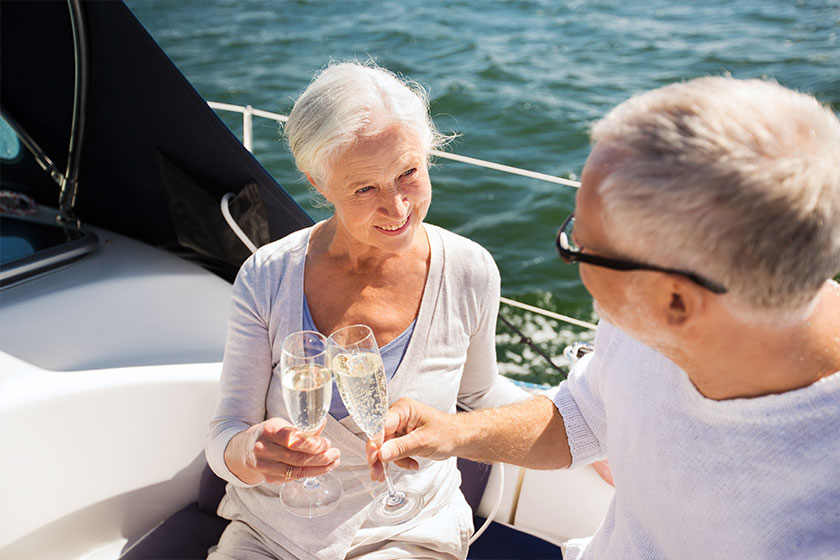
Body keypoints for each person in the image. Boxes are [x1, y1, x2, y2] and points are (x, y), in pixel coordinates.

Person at [371, 77, 840, 559]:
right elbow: (586, 415)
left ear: (676, 303)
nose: (570, 254)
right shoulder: (654, 313)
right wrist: (453, 433)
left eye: (582, 247)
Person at [205, 60, 528, 560]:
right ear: (318, 182)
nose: (398, 208)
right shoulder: (266, 276)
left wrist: (584, 424)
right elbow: (226, 432)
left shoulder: (470, 270)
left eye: (408, 173)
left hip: (410, 532)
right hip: (269, 533)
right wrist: (250, 452)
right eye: (365, 188)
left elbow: (481, 392)